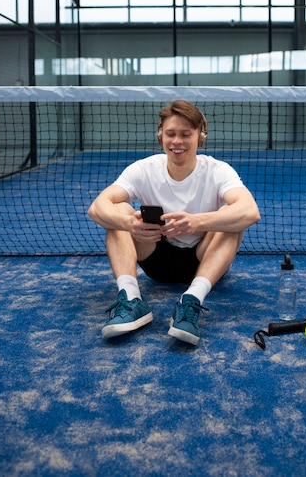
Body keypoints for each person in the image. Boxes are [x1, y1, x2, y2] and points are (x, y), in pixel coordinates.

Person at [88, 99, 260, 346]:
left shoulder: (218, 170)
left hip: (204, 259)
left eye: (185, 134)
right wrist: (129, 222)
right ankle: (131, 299)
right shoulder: (143, 169)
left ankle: (192, 300)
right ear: (161, 136)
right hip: (156, 257)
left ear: (200, 137)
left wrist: (197, 222)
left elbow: (250, 211)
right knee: (118, 210)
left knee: (232, 217)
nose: (177, 142)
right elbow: (97, 207)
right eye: (170, 134)